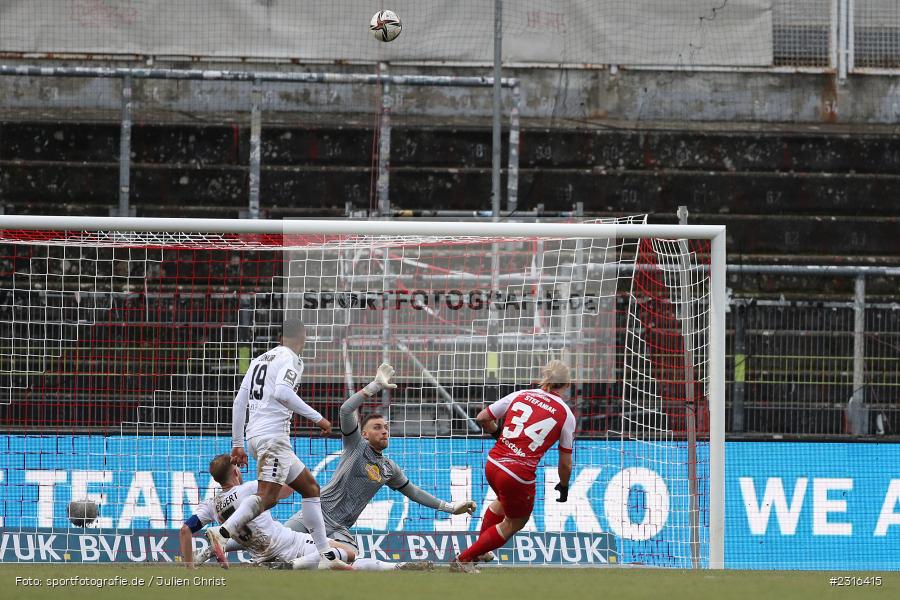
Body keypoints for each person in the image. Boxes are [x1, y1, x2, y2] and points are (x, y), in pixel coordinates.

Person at [283, 362, 477, 571]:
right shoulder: (356, 446)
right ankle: (312, 556)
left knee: (351, 555)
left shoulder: (388, 468)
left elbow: (414, 492)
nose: (384, 431)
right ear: (364, 434)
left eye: (385, 427)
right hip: (316, 514)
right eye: (377, 427)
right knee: (273, 544)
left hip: (339, 529)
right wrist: (374, 386)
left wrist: (450, 508)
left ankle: (310, 557)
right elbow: (346, 410)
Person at [205, 319, 341, 569]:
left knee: (310, 488)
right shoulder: (292, 359)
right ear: (303, 336)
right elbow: (282, 393)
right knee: (267, 498)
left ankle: (325, 554)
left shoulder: (258, 360)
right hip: (273, 437)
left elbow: (239, 402)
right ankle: (222, 533)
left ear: (280, 337)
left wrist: (238, 443)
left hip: (256, 437)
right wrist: (318, 418)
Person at [449, 360, 576, 573]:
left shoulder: (521, 394)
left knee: (502, 501)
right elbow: (565, 463)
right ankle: (464, 559)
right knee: (515, 522)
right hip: (518, 473)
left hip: (493, 463)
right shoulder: (566, 415)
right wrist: (563, 486)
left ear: (544, 378)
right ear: (567, 384)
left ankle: (480, 551)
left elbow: (482, 417)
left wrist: (498, 434)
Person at [180, 455, 352, 570]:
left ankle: (208, 551)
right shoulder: (250, 488)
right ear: (235, 472)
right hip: (289, 543)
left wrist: (189, 567)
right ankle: (294, 564)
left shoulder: (211, 505)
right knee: (349, 552)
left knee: (240, 533)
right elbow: (289, 489)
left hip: (261, 556)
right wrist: (288, 465)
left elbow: (185, 530)